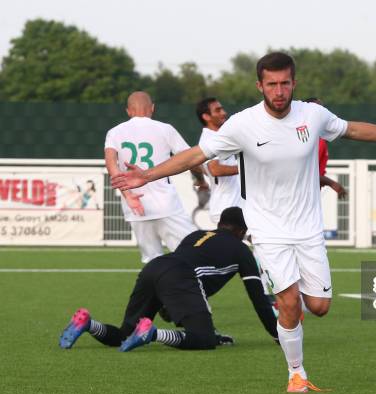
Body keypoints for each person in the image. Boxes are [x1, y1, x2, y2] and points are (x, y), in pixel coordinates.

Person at [111, 52, 376, 392]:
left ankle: (293, 327)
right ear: (260, 86)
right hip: (267, 230)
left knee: (319, 306)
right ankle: (296, 373)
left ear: (294, 83)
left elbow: (352, 128)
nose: (279, 90)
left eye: (285, 83)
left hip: (308, 228)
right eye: (272, 84)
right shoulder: (242, 124)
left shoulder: (312, 115)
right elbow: (197, 155)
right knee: (288, 303)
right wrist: (147, 176)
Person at [59, 207, 278, 351]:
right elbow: (258, 300)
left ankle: (88, 324)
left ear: (221, 223)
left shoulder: (197, 234)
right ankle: (153, 334)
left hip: (155, 267)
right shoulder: (241, 250)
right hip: (180, 275)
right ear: (242, 230)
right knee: (204, 339)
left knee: (124, 334)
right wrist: (278, 336)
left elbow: (177, 287)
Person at [104, 91, 209, 263]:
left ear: (128, 111)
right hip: (166, 205)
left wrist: (128, 195)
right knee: (191, 255)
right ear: (152, 108)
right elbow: (190, 159)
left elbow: (111, 164)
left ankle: (159, 289)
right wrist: (201, 180)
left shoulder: (114, 132)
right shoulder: (165, 129)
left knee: (152, 262)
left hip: (135, 207)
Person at [196, 97, 243, 225]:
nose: (223, 113)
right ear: (206, 116)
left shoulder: (222, 136)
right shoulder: (209, 139)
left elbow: (200, 168)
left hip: (236, 206)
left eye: (222, 109)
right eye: (218, 110)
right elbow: (214, 169)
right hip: (226, 208)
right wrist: (244, 168)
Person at [305, 97, 347, 199]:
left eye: (322, 109)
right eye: (316, 109)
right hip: (303, 197)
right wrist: (333, 184)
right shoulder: (311, 140)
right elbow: (307, 173)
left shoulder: (318, 138)